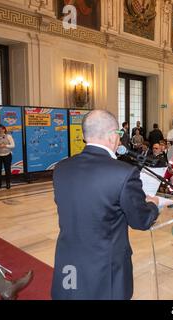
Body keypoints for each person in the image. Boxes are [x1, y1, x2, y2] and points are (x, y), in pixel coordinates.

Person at [51, 110, 160, 300]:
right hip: (105, 267)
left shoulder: (61, 168)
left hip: (68, 260)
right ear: (112, 136)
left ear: (85, 135)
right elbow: (141, 221)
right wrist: (153, 205)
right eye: (119, 134)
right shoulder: (123, 173)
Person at [0, 125, 15, 190]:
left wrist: (5, 145)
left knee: (7, 170)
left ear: (4, 129)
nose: (1, 130)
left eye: (2, 129)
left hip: (7, 155)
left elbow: (13, 145)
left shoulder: (9, 136)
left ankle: (8, 183)